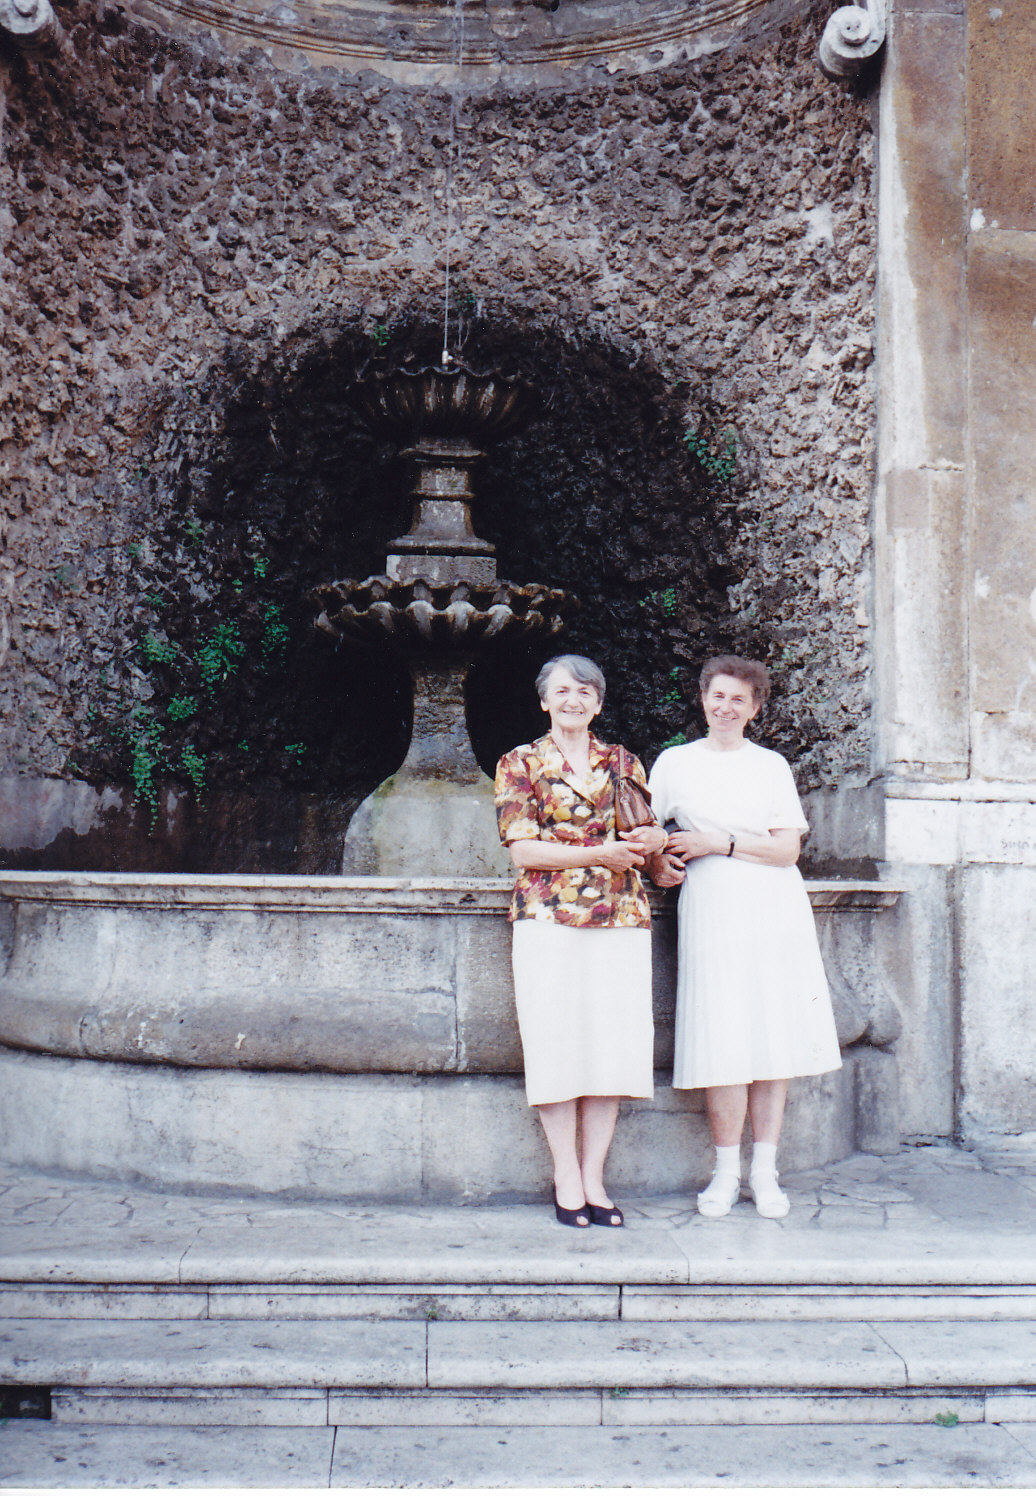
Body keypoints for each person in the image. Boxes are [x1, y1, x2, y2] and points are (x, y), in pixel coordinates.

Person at [647, 655, 841, 1220]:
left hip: (772, 905)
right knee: (722, 1036)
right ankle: (726, 1171)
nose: (726, 708)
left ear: (755, 709)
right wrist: (660, 864)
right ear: (703, 699)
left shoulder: (769, 766)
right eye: (718, 696)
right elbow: (648, 832)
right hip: (712, 908)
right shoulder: (675, 763)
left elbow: (786, 849)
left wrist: (719, 842)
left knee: (771, 1035)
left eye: (739, 700)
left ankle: (765, 1172)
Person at [495, 654, 668, 1228]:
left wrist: (652, 846)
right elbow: (524, 851)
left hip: (620, 917)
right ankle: (565, 1175)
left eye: (586, 692)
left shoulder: (623, 761)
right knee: (555, 1045)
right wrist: (600, 852)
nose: (574, 700)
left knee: (611, 1049)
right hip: (547, 918)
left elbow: (643, 834)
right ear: (544, 700)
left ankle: (595, 1176)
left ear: (598, 703)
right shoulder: (519, 762)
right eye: (564, 690)